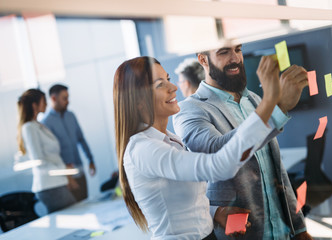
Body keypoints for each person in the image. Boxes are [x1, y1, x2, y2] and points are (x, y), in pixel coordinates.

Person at [113, 56, 282, 239]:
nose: (174, 88)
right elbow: (219, 166)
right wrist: (269, 103)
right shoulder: (143, 149)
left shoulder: (171, 140)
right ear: (137, 101)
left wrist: (215, 212)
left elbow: (178, 205)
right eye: (160, 84)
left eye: (168, 80)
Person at [173, 44, 313, 240]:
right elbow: (217, 151)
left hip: (282, 231)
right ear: (203, 60)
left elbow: (278, 173)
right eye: (224, 52)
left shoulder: (254, 100)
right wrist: (277, 107)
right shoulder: (189, 109)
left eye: (238, 50)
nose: (235, 58)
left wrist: (299, 228)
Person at [17, 89, 76, 213]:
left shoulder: (37, 125)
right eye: (43, 101)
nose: (46, 104)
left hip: (56, 183)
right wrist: (64, 170)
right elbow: (39, 161)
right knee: (74, 214)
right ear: (34, 105)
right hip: (49, 185)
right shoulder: (29, 128)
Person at [41, 84, 95, 202]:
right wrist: (67, 176)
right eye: (64, 98)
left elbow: (81, 139)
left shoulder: (71, 116)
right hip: (66, 176)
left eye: (68, 98)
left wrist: (91, 160)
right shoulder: (46, 123)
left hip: (80, 170)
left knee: (86, 203)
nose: (67, 101)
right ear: (54, 99)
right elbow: (51, 154)